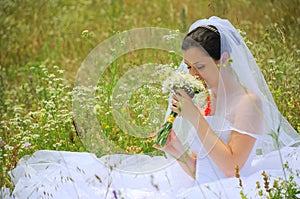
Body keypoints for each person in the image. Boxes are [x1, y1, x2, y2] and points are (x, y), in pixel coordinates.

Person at [3, 16, 300, 199]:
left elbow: (232, 168)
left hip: (236, 190)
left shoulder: (248, 102)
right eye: (188, 67)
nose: (193, 75)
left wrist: (195, 119)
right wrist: (177, 150)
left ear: (222, 59)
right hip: (207, 186)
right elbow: (205, 169)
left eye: (200, 66)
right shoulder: (208, 98)